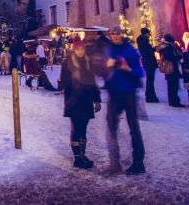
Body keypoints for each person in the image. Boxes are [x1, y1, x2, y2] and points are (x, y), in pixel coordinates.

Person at [103, 26, 146, 175]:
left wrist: (128, 69)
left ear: (121, 34)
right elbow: (101, 69)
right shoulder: (108, 50)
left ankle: (139, 163)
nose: (114, 36)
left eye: (117, 33)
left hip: (128, 93)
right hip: (114, 93)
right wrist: (105, 66)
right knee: (111, 128)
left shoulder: (130, 50)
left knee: (134, 128)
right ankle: (114, 163)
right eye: (112, 33)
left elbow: (141, 72)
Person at [59, 39, 101, 169]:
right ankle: (77, 159)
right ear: (73, 49)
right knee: (77, 128)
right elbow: (64, 83)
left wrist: (97, 99)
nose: (80, 51)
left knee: (83, 129)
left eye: (82, 49)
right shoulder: (67, 62)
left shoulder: (87, 62)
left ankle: (83, 155)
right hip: (74, 101)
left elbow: (93, 82)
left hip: (86, 100)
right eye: (77, 49)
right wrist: (66, 82)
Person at [156, 34, 184, 107]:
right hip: (172, 67)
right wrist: (178, 56)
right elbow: (170, 56)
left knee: (171, 85)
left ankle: (172, 100)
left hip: (168, 67)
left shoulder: (164, 46)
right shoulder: (168, 47)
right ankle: (175, 101)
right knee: (173, 85)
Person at [136, 28, 159, 103]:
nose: (149, 34)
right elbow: (146, 52)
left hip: (148, 62)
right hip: (149, 63)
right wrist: (154, 49)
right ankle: (150, 97)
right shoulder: (144, 42)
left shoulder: (142, 41)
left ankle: (150, 96)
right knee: (150, 80)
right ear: (145, 34)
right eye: (148, 33)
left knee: (150, 80)